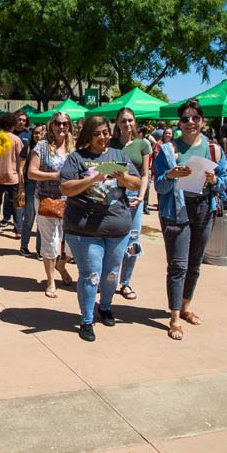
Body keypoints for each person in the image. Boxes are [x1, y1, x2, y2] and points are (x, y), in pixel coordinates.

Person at [59, 116, 141, 342]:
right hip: (84, 229)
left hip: (117, 227)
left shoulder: (119, 156)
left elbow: (137, 183)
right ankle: (86, 320)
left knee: (111, 274)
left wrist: (122, 177)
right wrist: (93, 179)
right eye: (97, 134)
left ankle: (105, 307)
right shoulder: (77, 159)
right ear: (88, 135)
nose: (103, 138)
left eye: (105, 132)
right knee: (91, 274)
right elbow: (65, 187)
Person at [152, 100, 221, 341]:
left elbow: (224, 182)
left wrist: (214, 181)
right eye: (185, 119)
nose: (190, 123)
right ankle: (174, 317)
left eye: (195, 118)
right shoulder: (168, 150)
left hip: (204, 208)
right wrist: (171, 175)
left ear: (202, 121)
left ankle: (186, 306)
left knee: (195, 264)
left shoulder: (213, 149)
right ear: (179, 123)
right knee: (178, 265)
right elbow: (159, 186)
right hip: (176, 209)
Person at [28, 113, 75, 297]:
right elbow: (31, 173)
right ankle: (50, 280)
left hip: (70, 201)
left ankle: (61, 265)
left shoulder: (74, 147)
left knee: (72, 242)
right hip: (46, 199)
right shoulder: (42, 146)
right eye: (57, 123)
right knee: (50, 242)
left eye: (65, 123)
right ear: (51, 125)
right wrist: (55, 176)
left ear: (69, 126)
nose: (61, 126)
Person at [110, 108, 151, 301]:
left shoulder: (143, 144)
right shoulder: (110, 143)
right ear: (117, 123)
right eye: (123, 121)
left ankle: (125, 282)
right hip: (112, 194)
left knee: (133, 240)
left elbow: (145, 173)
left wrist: (142, 196)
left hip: (134, 195)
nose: (127, 124)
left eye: (130, 120)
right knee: (111, 239)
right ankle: (108, 278)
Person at [0, 112, 23, 236]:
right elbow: (20, 158)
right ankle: (18, 230)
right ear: (13, 125)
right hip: (12, 177)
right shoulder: (16, 139)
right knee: (16, 205)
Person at [19, 123, 46, 258]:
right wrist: (21, 188)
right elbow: (21, 169)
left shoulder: (49, 149)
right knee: (29, 217)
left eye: (41, 132)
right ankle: (24, 246)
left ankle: (40, 249)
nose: (39, 135)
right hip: (30, 186)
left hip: (45, 187)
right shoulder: (28, 148)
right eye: (36, 132)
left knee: (43, 219)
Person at [13, 111, 35, 247]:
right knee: (15, 200)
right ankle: (15, 223)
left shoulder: (29, 135)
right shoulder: (10, 134)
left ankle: (18, 228)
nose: (21, 122)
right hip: (11, 171)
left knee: (21, 201)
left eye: (23, 120)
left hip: (25, 172)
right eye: (19, 119)